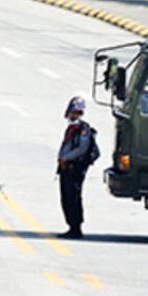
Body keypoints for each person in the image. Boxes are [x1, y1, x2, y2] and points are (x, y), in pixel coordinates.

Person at [56, 96, 93, 239]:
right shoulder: (72, 128)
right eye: (71, 111)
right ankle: (71, 225)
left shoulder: (83, 129)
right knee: (66, 197)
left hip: (74, 168)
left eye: (75, 112)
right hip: (66, 168)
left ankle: (75, 227)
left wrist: (66, 158)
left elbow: (82, 149)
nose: (72, 114)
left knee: (73, 197)